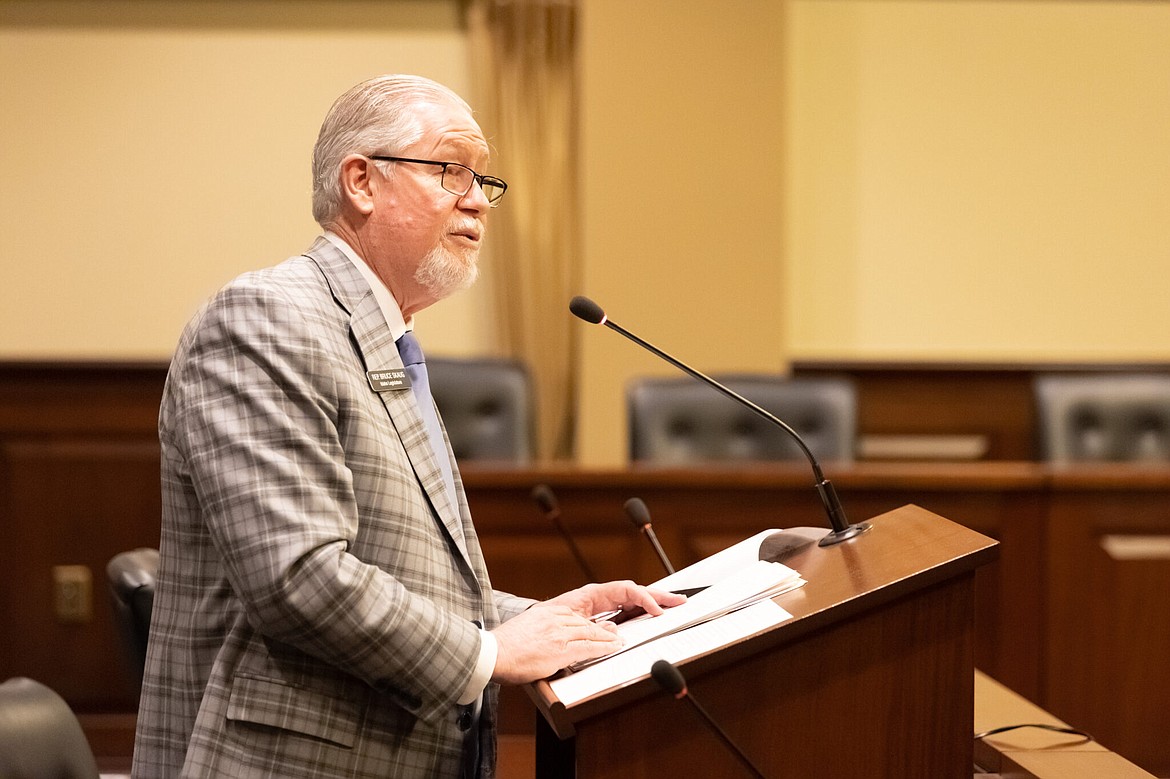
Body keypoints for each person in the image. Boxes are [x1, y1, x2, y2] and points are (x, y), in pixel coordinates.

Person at [131, 74, 683, 778]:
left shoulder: (388, 343)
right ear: (361, 182)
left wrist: (530, 618)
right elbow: (298, 577)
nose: (479, 198)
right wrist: (492, 652)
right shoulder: (266, 319)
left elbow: (400, 571)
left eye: (483, 178)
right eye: (452, 168)